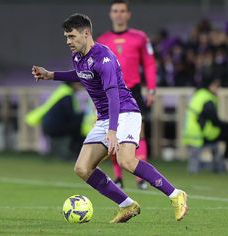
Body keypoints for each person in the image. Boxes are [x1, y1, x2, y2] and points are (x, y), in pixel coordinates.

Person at [32, 13, 187, 223]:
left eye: (72, 36)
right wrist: (51, 75)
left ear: (86, 33)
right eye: (66, 37)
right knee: (82, 168)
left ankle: (176, 194)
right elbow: (81, 74)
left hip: (124, 112)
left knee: (127, 160)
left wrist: (112, 132)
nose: (68, 41)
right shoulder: (78, 56)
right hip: (105, 117)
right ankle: (128, 205)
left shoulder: (103, 57)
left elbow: (113, 96)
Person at [97, 0, 156, 190]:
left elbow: (149, 63)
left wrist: (152, 88)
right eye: (116, 11)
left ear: (128, 14)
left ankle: (139, 178)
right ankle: (118, 177)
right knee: (112, 132)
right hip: (110, 92)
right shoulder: (102, 41)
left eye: (123, 11)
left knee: (139, 132)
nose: (119, 14)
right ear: (110, 14)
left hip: (134, 91)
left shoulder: (140, 38)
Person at [183, 77, 228, 174]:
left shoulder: (199, 94)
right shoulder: (207, 98)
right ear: (210, 85)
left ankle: (223, 163)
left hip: (190, 134)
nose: (218, 89)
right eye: (216, 86)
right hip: (201, 135)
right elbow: (215, 121)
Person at [25, 82, 84, 159]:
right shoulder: (67, 96)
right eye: (79, 84)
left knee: (77, 128)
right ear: (72, 84)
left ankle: (68, 154)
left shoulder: (62, 92)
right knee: (80, 131)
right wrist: (83, 115)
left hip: (49, 126)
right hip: (56, 128)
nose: (81, 86)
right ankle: (75, 156)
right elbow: (70, 115)